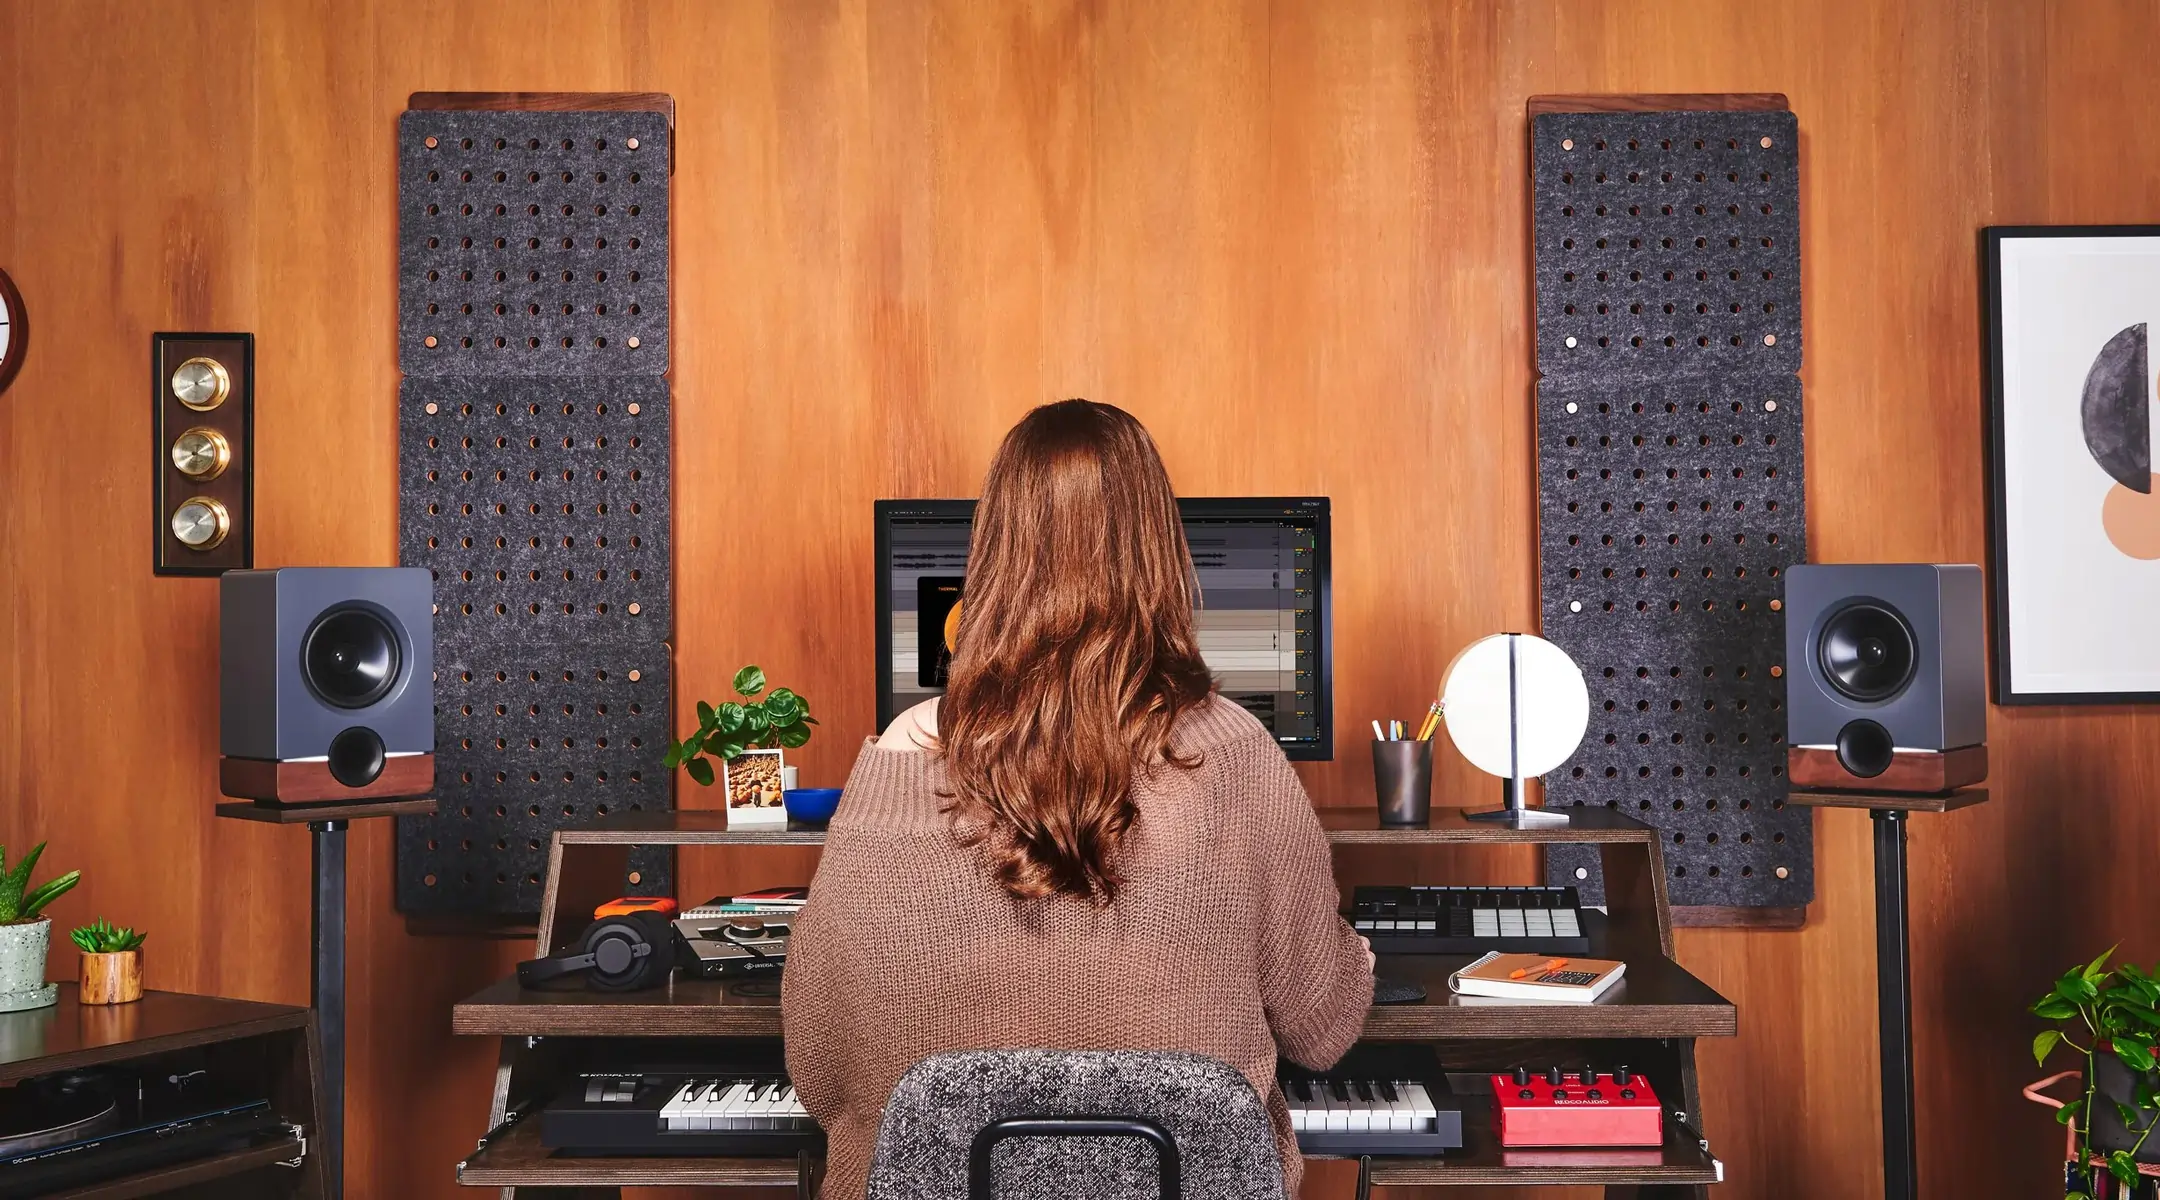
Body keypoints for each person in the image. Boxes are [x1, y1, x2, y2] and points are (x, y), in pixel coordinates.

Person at [783, 399, 1373, 1198]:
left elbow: (822, 1072)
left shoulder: (897, 755)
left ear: (991, 551)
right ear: (1159, 550)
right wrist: (1355, 955)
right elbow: (1324, 1030)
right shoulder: (1233, 750)